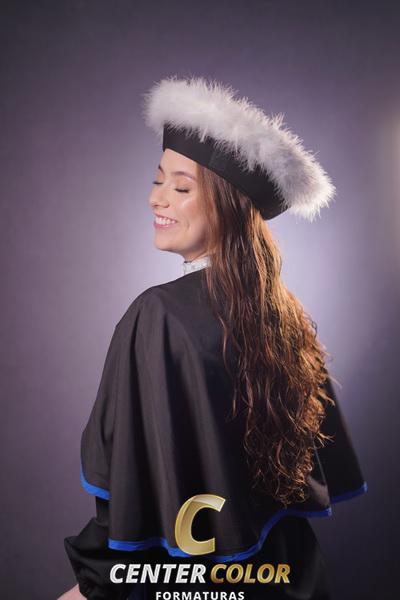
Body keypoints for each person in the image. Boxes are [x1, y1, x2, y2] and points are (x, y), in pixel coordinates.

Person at [59, 76, 368, 600]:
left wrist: (91, 584)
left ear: (228, 205)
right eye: (158, 180)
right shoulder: (288, 315)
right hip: (294, 578)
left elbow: (134, 480)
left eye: (181, 188)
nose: (156, 198)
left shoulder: (159, 315)